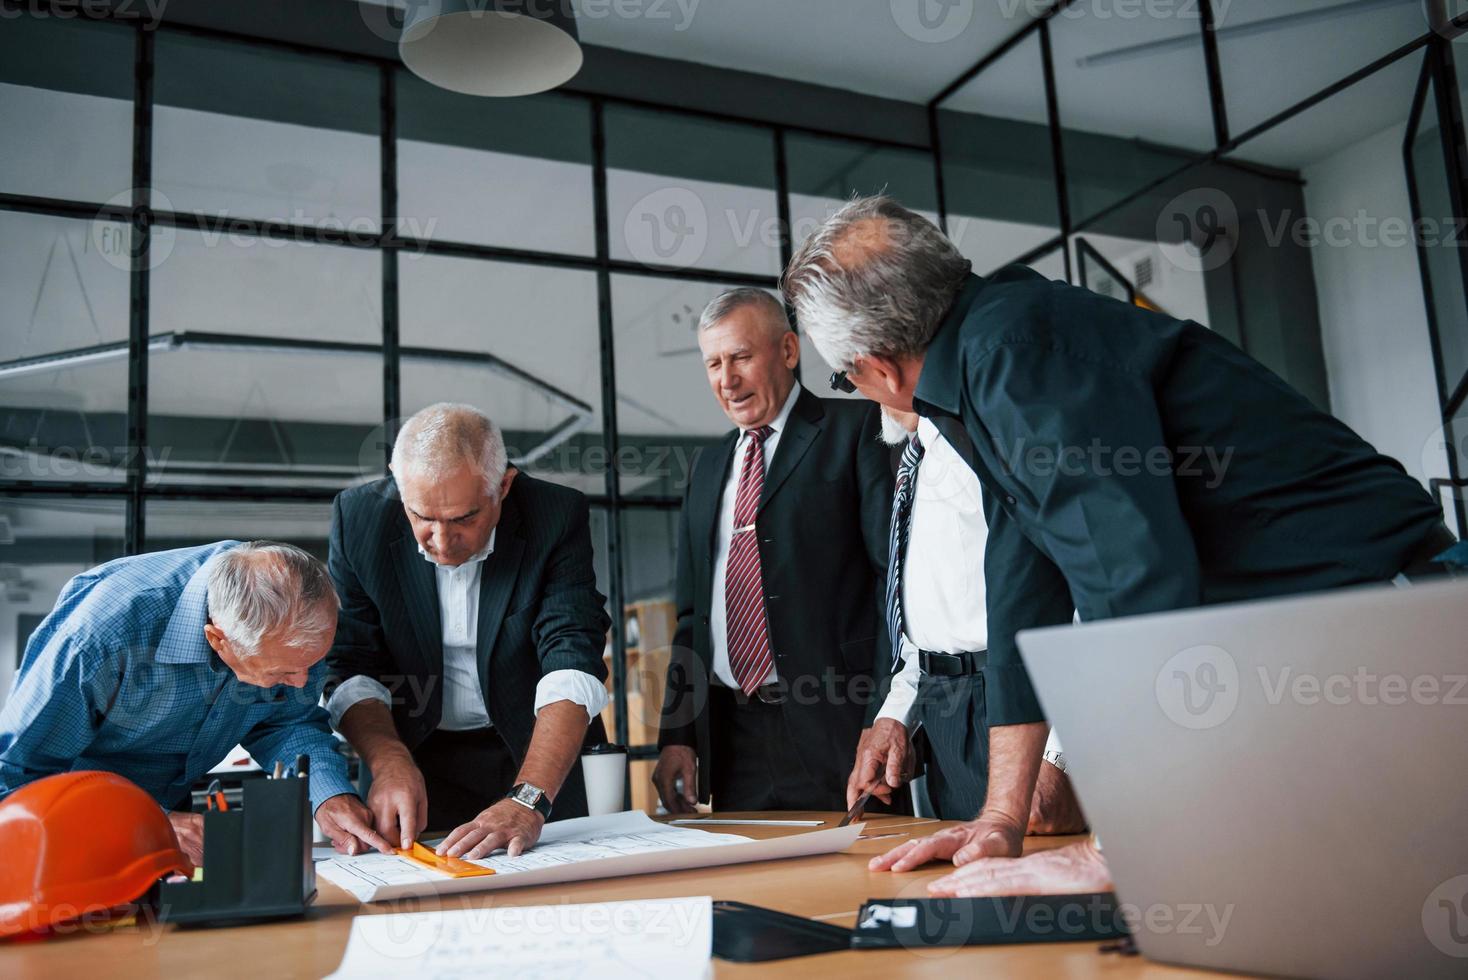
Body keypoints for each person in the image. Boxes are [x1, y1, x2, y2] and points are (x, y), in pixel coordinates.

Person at [783, 195, 1456, 895]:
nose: (857, 391)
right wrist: (1000, 816)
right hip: (1338, 624)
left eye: (844, 378)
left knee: (1370, 904)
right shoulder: (990, 352)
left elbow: (1133, 585)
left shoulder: (1014, 358)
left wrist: (1120, 846)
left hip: (1384, 618)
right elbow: (1022, 586)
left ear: (880, 367)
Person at [326, 403, 611, 861]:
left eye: (463, 519)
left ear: (503, 486)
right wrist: (387, 759)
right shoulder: (358, 520)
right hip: (410, 753)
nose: (440, 541)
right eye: (422, 517)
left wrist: (529, 798)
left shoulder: (554, 515)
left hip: (536, 750)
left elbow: (572, 654)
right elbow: (352, 664)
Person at [652, 288, 896, 813]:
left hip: (840, 734)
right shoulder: (707, 467)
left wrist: (882, 716)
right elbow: (691, 616)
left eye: (740, 357)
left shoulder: (857, 432)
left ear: (788, 351)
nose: (726, 379)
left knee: (857, 885)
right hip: (735, 741)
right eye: (713, 363)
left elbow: (890, 587)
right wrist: (679, 735)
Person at [0, 541, 387, 867]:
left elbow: (289, 722)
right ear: (219, 640)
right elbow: (13, 778)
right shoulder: (99, 639)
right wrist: (145, 824)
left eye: (311, 665)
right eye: (285, 672)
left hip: (173, 830)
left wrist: (329, 794)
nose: (303, 682)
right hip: (72, 833)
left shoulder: (286, 619)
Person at [847, 406, 1086, 831]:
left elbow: (1083, 597)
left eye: (851, 370)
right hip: (942, 712)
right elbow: (923, 619)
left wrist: (1061, 756)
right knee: (967, 888)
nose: (855, 379)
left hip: (1020, 702)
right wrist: (894, 716)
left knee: (1043, 888)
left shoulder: (993, 446)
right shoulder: (913, 457)